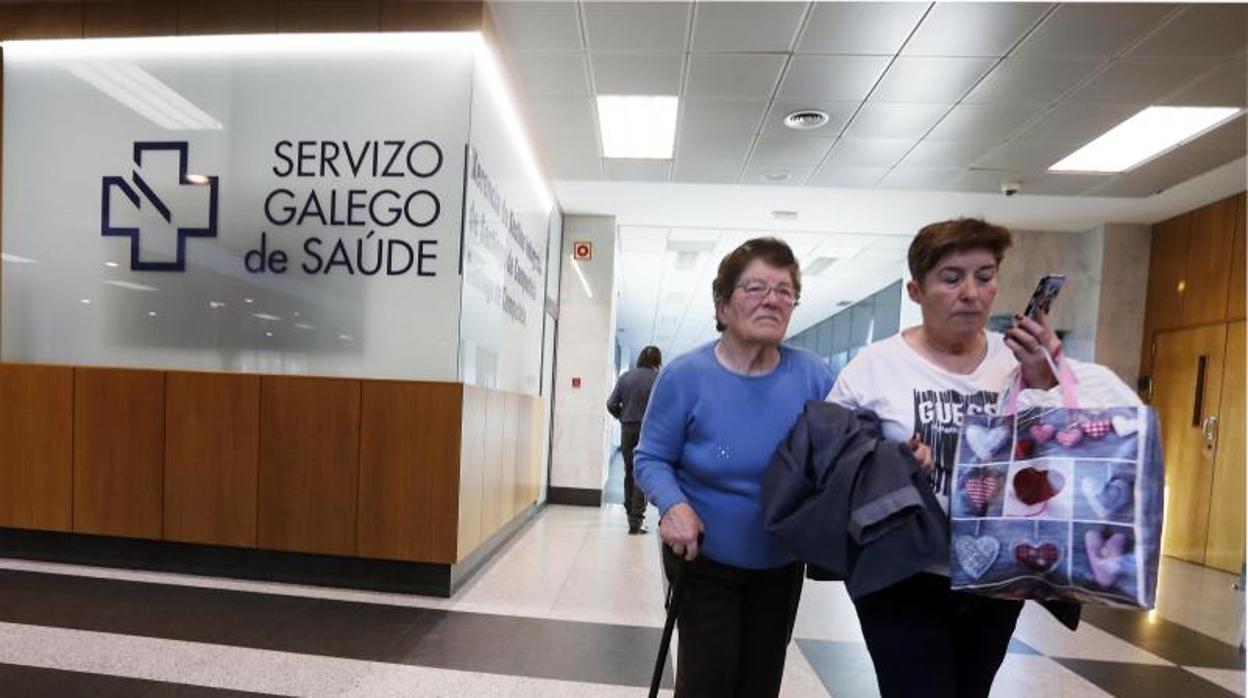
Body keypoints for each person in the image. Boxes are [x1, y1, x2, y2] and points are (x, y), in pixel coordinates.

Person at [826, 218, 1061, 698]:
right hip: (901, 572)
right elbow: (830, 461)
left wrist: (1044, 383)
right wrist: (890, 461)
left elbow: (1060, 462)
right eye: (951, 278)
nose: (971, 292)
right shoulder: (874, 367)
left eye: (985, 275)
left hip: (995, 575)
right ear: (916, 289)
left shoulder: (1022, 361)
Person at [635, 237, 834, 698]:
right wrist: (673, 505)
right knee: (707, 683)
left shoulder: (814, 376)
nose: (773, 299)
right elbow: (651, 457)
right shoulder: (686, 376)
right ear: (722, 306)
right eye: (756, 287)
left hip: (781, 563)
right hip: (704, 560)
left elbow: (845, 451)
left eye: (785, 290)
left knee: (759, 685)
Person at [606, 345, 662, 534]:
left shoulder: (625, 377)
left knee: (629, 471)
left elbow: (610, 403)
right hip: (649, 431)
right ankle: (636, 519)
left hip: (627, 429)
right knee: (642, 473)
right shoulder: (658, 380)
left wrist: (622, 416)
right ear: (657, 361)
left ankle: (630, 512)